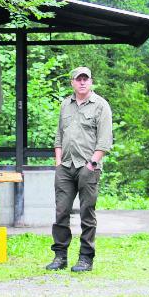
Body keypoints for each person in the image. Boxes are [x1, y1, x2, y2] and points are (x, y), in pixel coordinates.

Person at [45, 67, 112, 272]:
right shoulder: (66, 104)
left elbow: (105, 140)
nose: (82, 82)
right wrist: (58, 162)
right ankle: (60, 256)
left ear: (91, 82)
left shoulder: (101, 106)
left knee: (87, 213)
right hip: (65, 167)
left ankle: (85, 258)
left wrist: (92, 164)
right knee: (61, 212)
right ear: (72, 82)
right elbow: (59, 135)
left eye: (86, 79)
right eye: (78, 79)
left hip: (88, 166)